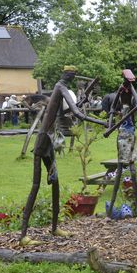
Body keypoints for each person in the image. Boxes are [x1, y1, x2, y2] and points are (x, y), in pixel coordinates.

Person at [20, 66, 108, 246]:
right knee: (35, 187)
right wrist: (101, 121)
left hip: (50, 142)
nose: (73, 77)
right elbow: (76, 113)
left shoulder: (60, 90)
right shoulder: (60, 87)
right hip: (42, 143)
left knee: (55, 184)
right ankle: (23, 236)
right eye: (72, 74)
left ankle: (54, 228)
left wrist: (81, 101)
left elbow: (63, 114)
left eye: (74, 75)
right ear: (66, 74)